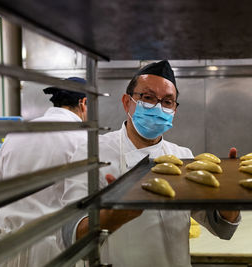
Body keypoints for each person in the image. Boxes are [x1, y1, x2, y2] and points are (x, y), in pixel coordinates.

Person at [61, 60, 241, 267]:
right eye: (147, 98)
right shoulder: (92, 154)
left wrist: (231, 202)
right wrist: (113, 217)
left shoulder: (182, 156)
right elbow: (69, 237)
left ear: (174, 110)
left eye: (167, 102)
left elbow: (223, 229)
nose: (158, 107)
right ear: (126, 102)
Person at [0, 77, 88, 267]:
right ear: (84, 103)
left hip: (9, 248)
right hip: (56, 251)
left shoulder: (14, 135)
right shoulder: (83, 139)